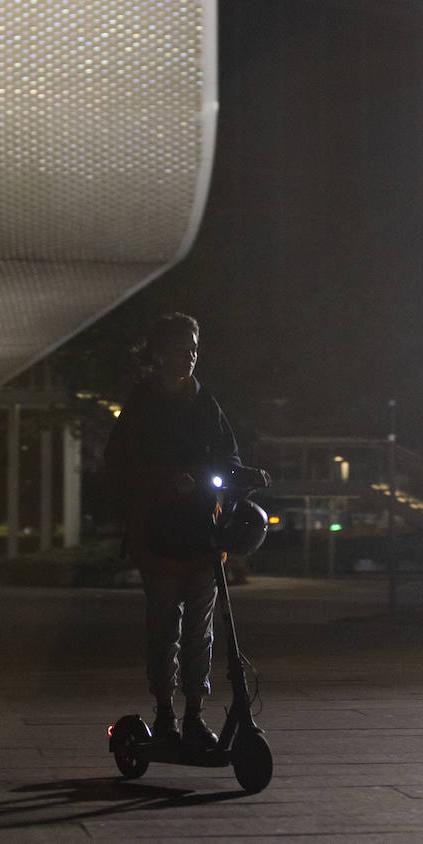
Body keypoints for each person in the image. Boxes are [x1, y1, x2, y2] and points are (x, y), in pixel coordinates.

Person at [103, 312, 245, 748]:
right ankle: (165, 713)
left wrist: (243, 477)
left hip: (202, 533)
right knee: (164, 627)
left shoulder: (206, 402)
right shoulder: (143, 404)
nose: (190, 357)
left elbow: (229, 452)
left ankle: (195, 715)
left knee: (200, 632)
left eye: (195, 349)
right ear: (160, 353)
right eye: (182, 349)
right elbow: (119, 462)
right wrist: (165, 480)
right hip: (159, 533)